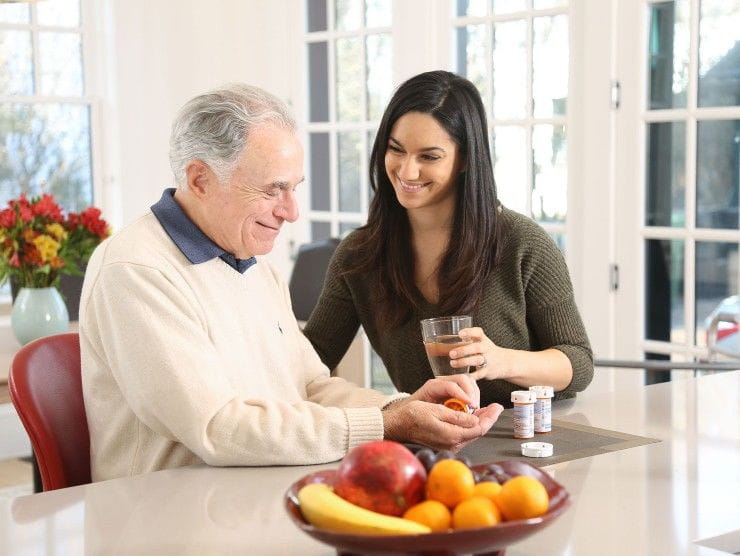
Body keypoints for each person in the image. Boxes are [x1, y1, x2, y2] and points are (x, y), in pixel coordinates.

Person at [79, 84, 504, 482]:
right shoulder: (137, 271)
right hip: (168, 518)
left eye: (294, 188)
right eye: (272, 190)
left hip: (256, 493)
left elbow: (311, 387)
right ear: (200, 180)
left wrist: (401, 406)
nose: (291, 211)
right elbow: (217, 426)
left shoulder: (252, 263)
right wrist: (386, 424)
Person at [303, 71, 594, 407]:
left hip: (530, 436)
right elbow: (311, 360)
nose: (407, 171)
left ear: (465, 159)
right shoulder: (359, 255)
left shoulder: (522, 243)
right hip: (433, 438)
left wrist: (500, 360)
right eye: (396, 150)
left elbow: (579, 362)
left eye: (429, 157)